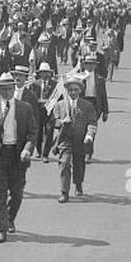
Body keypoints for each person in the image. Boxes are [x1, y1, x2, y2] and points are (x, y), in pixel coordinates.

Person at [0, 72, 36, 241]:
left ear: (14, 89)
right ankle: (1, 228)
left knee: (17, 193)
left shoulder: (25, 108)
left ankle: (9, 218)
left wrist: (28, 149)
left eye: (10, 89)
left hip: (18, 155)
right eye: (3, 89)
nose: (7, 92)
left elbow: (32, 132)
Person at [50, 75, 99, 203]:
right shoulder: (60, 105)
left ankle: (78, 183)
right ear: (66, 90)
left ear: (80, 91)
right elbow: (53, 121)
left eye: (75, 90)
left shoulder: (87, 106)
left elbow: (93, 122)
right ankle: (64, 192)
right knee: (64, 163)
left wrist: (89, 136)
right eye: (70, 90)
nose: (73, 92)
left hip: (80, 139)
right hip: (65, 140)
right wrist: (61, 122)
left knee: (79, 163)